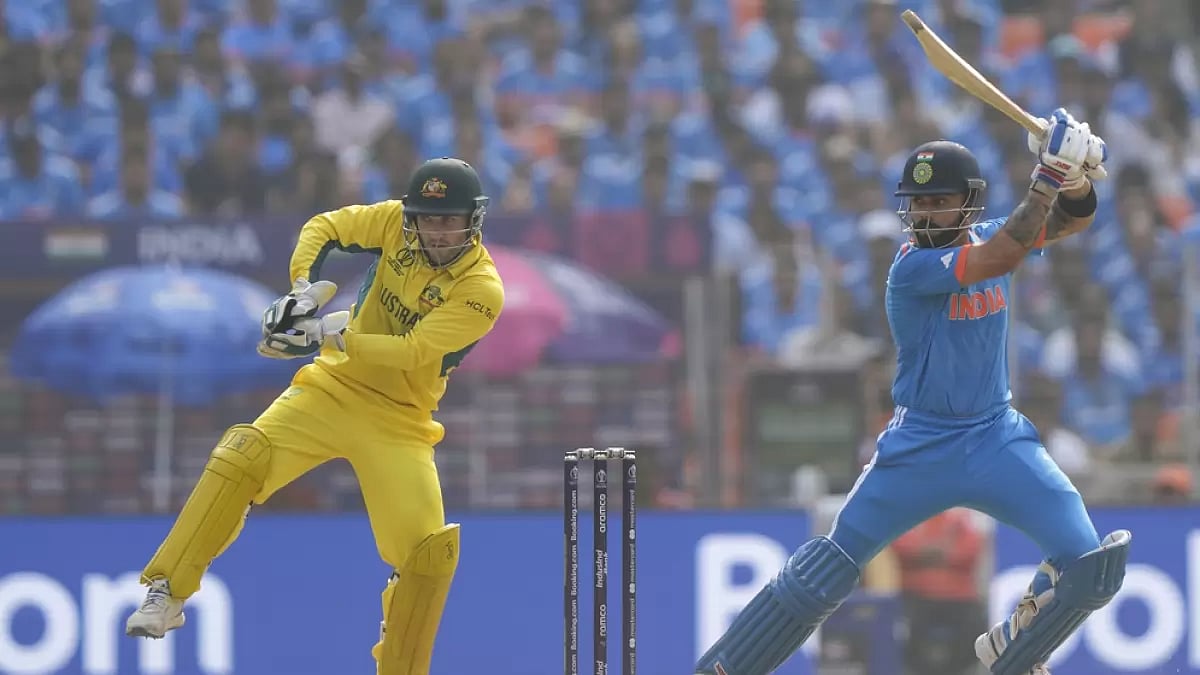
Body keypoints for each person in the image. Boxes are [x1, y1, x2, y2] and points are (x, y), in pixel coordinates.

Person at [694, 109, 1131, 675]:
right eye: (917, 203)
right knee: (825, 569)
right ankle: (730, 665)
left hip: (995, 437)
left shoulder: (995, 235)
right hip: (919, 446)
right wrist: (1048, 174)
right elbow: (1004, 254)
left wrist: (1074, 178)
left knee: (1089, 563)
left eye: (938, 201)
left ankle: (1017, 635)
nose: (924, 213)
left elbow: (1074, 219)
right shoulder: (912, 267)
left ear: (969, 203)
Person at [124, 157, 505, 675]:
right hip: (331, 389)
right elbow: (324, 227)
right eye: (427, 219)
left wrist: (328, 334)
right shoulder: (394, 223)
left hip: (400, 419)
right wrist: (302, 291)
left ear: (473, 221)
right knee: (243, 455)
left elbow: (413, 349)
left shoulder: (481, 289)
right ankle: (167, 590)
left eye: (449, 220)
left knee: (426, 554)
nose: (436, 232)